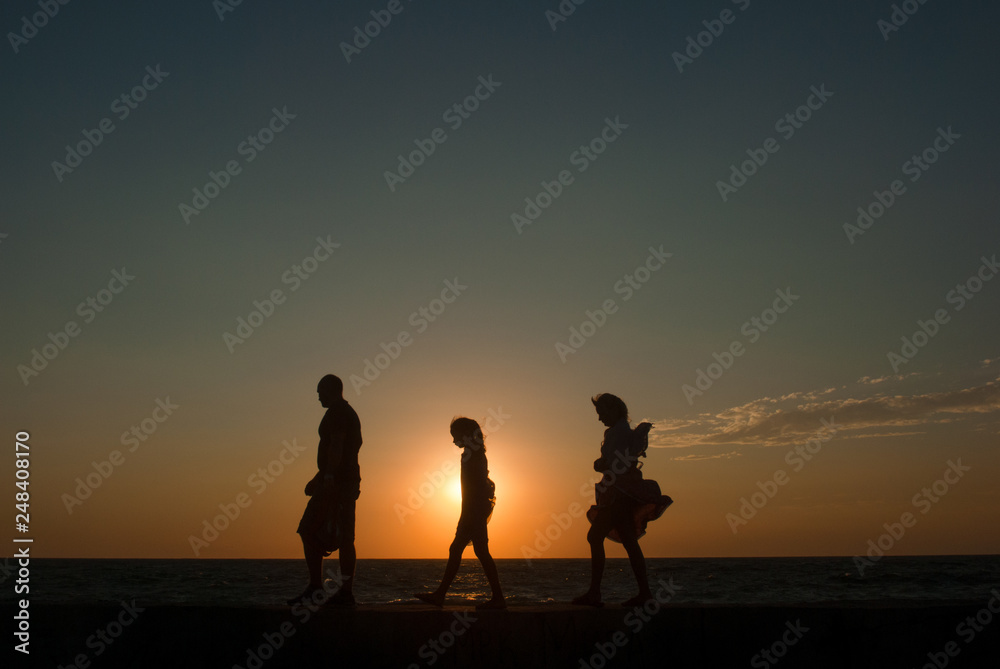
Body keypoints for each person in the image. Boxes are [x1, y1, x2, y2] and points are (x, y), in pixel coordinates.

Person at [573, 393, 672, 608]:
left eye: (601, 413)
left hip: (618, 494)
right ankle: (644, 592)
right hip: (621, 493)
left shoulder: (618, 433)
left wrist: (601, 464)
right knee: (628, 541)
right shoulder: (620, 432)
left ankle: (596, 593)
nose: (599, 418)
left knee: (595, 536)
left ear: (614, 410)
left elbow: (617, 464)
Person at [414, 417, 506, 610]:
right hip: (474, 510)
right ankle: (496, 597)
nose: (453, 440)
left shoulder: (472, 455)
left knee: (462, 550)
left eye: (455, 436)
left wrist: (468, 515)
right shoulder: (474, 453)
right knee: (476, 552)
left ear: (464, 435)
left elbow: (474, 487)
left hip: (473, 511)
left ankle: (442, 595)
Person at [287, 374, 362, 607]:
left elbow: (338, 446)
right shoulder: (345, 413)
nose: (318, 396)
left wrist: (327, 477)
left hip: (338, 484)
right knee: (345, 537)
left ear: (332, 390)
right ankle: (343, 592)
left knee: (308, 528)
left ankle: (317, 588)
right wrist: (318, 477)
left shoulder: (338, 413)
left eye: (320, 391)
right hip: (344, 481)